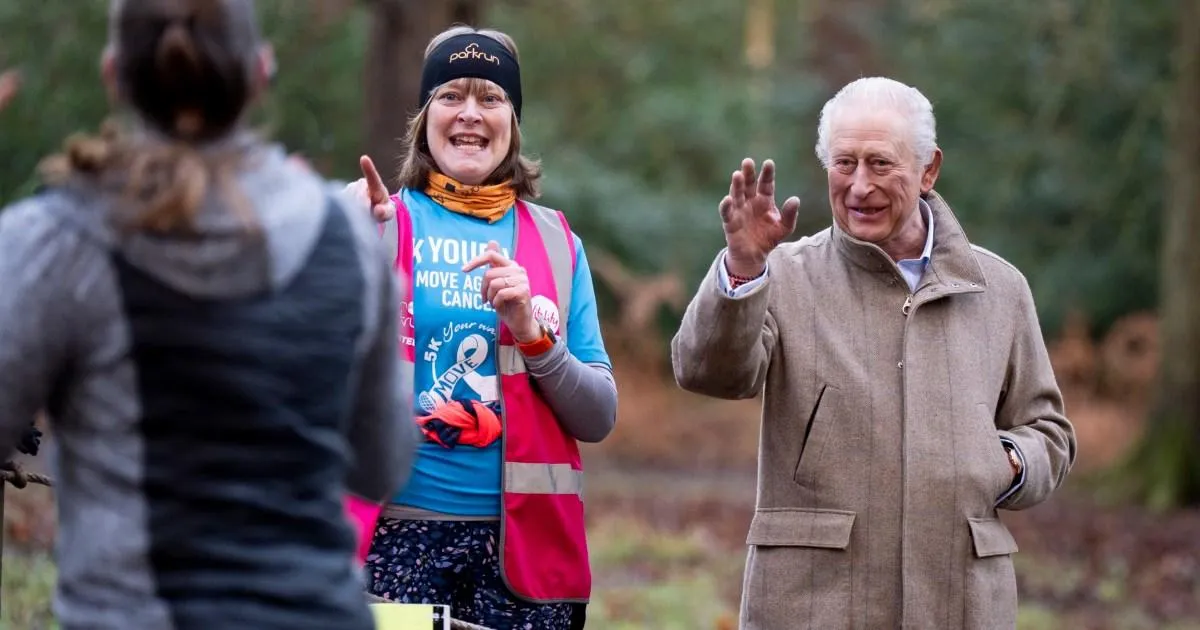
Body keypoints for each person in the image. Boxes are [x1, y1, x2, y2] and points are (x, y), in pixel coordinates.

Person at [0, 1, 416, 628]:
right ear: (260, 72)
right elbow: (382, 460)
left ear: (114, 75)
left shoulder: (54, 240)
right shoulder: (347, 239)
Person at [671, 76, 1077, 629]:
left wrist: (1002, 463)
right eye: (844, 164)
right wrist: (742, 269)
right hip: (813, 605)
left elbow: (1047, 432)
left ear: (929, 169)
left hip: (960, 603)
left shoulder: (999, 289)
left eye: (880, 164)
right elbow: (707, 373)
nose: (859, 185)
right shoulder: (783, 275)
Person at [343, 24, 617, 630]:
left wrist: (534, 334)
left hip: (527, 558)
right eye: (451, 95)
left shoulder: (557, 242)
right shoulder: (373, 221)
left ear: (513, 122)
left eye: (490, 98)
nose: (470, 114)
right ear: (424, 117)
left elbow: (598, 416)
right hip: (389, 548)